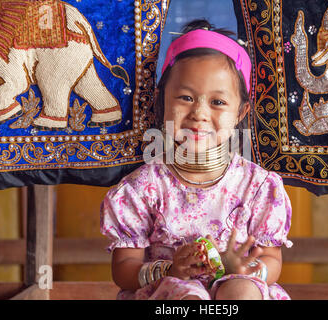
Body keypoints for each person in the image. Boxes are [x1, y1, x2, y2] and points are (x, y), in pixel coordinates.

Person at [100, 19, 293, 300]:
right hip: (168, 291)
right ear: (161, 101)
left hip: (237, 287)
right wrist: (169, 270)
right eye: (186, 97)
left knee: (242, 291)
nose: (199, 113)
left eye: (218, 102)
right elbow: (123, 270)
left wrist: (248, 269)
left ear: (241, 112)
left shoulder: (258, 187)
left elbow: (272, 261)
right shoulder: (142, 188)